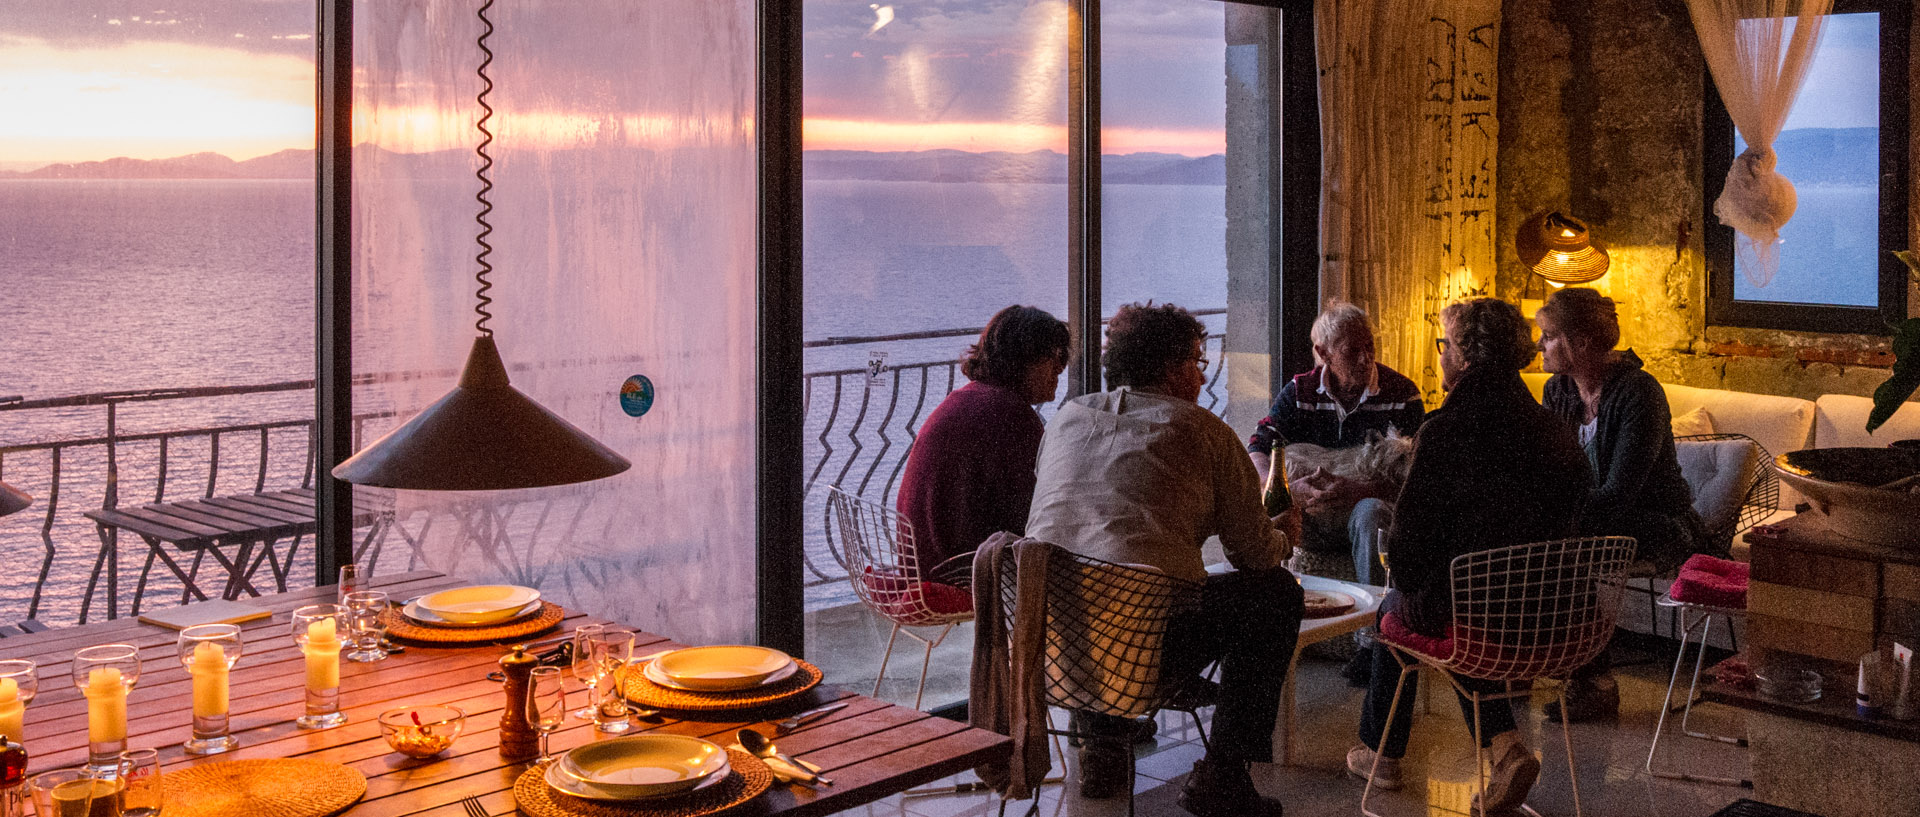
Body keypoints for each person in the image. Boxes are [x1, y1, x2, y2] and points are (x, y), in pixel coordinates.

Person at [1026, 302, 1303, 817]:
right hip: (1140, 651)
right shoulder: (1204, 432)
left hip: (1048, 647)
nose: (1201, 376)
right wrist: (1284, 534)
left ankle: (1104, 741)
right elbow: (1255, 555)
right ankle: (1223, 775)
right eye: (1198, 363)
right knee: (1275, 595)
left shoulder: (1066, 419)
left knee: (1103, 576)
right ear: (1176, 368)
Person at [1345, 298, 1591, 815]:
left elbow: (1408, 552)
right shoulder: (1555, 428)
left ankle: (1381, 755)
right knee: (1462, 603)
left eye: (1446, 344)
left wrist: (1413, 577)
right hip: (1560, 616)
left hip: (1486, 617)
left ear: (1467, 357)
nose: (1441, 355)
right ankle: (1503, 748)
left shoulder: (1446, 430)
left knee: (1401, 607)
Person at [1537, 287, 1706, 722]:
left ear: (1583, 343)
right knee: (1519, 535)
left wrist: (1553, 517)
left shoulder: (1639, 394)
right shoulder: (1558, 392)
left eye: (1550, 335)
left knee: (1560, 549)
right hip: (1589, 520)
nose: (1541, 345)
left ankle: (1595, 682)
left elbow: (1619, 493)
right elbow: (1549, 472)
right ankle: (1527, 666)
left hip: (1655, 523)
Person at [1248, 300, 1424, 586]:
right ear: (1323, 353)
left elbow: (1421, 477)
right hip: (1311, 519)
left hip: (1367, 516)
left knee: (1371, 512)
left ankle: (1372, 621)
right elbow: (1258, 446)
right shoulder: (1299, 392)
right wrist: (1289, 491)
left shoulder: (1402, 394)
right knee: (1265, 504)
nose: (1366, 358)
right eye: (1352, 351)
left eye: (1369, 346)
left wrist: (1362, 490)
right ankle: (1276, 611)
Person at [895, 305, 1069, 582]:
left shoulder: (966, 399)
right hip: (961, 570)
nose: (1060, 370)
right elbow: (1035, 511)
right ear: (1025, 359)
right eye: (1055, 357)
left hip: (919, 564)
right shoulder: (1012, 415)